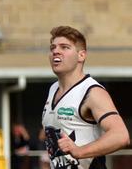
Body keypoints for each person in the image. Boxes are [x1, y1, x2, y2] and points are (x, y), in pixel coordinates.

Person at [42, 26, 129, 169]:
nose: (55, 51)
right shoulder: (53, 89)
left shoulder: (92, 91)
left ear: (81, 55)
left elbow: (120, 135)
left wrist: (79, 151)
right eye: (53, 48)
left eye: (64, 47)